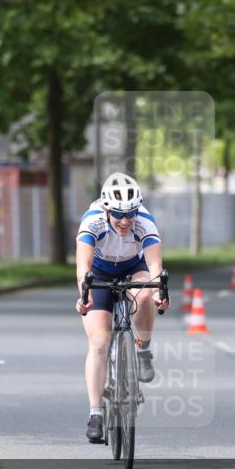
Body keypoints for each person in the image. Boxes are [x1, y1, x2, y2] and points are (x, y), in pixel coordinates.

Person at [75, 172, 169, 443]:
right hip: (99, 273)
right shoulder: (92, 221)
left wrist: (159, 292)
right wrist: (84, 294)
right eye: (118, 214)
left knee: (145, 293)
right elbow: (83, 266)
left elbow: (154, 268)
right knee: (100, 341)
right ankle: (95, 414)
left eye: (131, 214)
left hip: (133, 269)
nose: (125, 221)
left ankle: (144, 350)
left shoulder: (145, 222)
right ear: (107, 209)